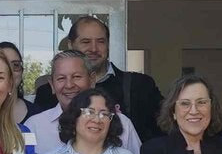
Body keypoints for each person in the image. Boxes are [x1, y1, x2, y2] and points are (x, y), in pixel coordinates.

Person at [31, 15, 164, 141]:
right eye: (86, 42)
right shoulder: (48, 93)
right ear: (70, 45)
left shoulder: (140, 85)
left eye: (101, 41)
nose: (93, 48)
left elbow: (161, 131)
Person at [0, 41, 34, 125]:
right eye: (2, 64)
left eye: (15, 65)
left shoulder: (39, 115)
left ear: (22, 71)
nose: (10, 71)